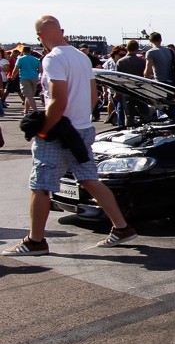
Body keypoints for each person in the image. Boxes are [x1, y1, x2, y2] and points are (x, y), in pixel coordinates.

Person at [3, 16, 137, 256]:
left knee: (40, 185)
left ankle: (35, 241)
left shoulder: (53, 59)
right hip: (83, 128)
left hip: (60, 131)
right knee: (89, 179)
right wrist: (80, 120)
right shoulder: (81, 57)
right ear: (62, 31)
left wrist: (43, 130)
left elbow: (58, 100)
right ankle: (121, 227)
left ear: (39, 36)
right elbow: (94, 97)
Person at [14, 45, 42, 114]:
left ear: (22, 51)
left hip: (24, 78)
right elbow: (41, 70)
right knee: (30, 95)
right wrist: (36, 73)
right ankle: (26, 111)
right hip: (34, 78)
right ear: (30, 51)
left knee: (28, 95)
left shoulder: (20, 59)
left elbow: (16, 68)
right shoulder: (36, 59)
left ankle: (35, 110)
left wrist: (13, 75)